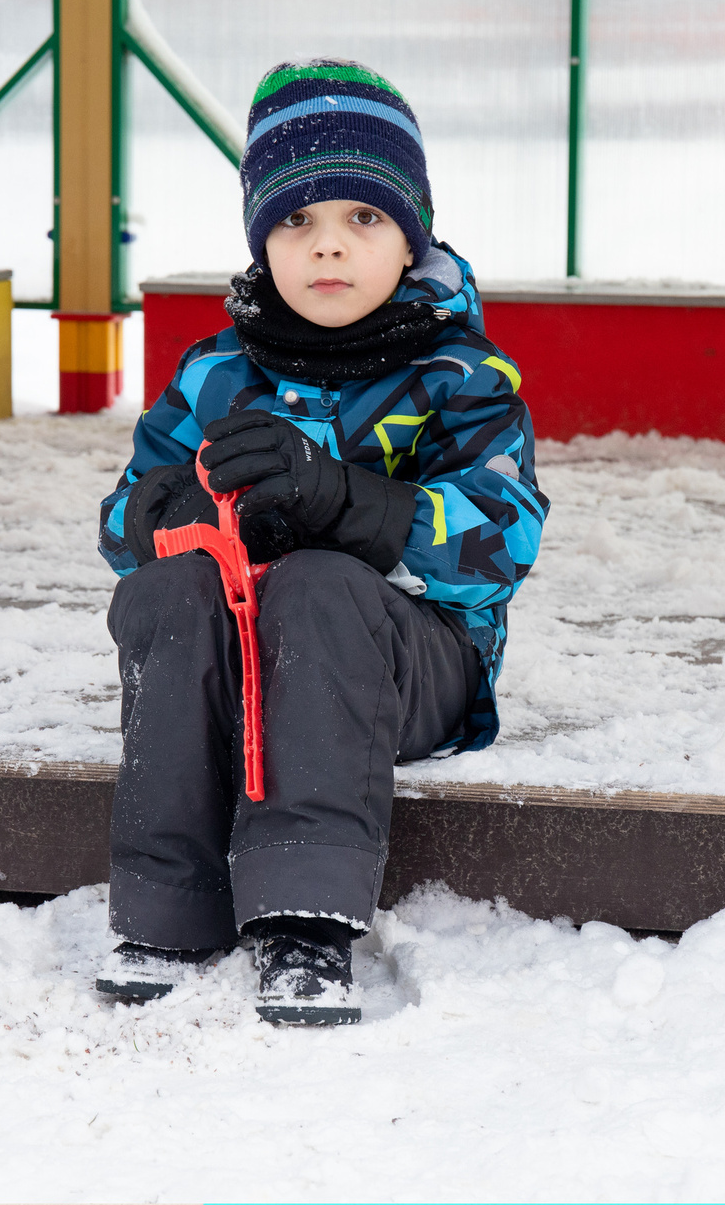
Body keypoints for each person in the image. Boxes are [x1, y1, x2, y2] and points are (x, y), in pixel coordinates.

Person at [93, 59, 549, 1026]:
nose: (328, 248)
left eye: (364, 220)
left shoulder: (458, 377)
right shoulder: (215, 374)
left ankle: (304, 915)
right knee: (167, 596)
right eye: (296, 222)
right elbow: (120, 526)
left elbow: (503, 541)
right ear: (263, 240)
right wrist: (168, 512)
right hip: (244, 660)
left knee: (318, 586)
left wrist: (341, 498)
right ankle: (165, 911)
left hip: (410, 661)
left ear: (410, 232)